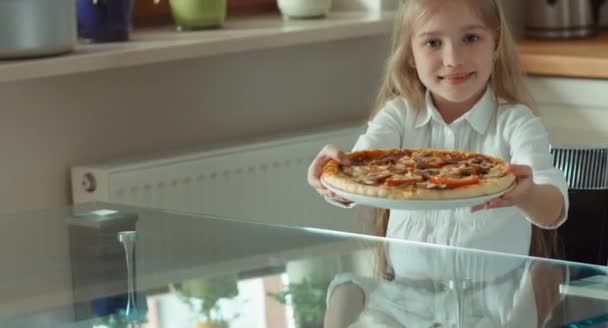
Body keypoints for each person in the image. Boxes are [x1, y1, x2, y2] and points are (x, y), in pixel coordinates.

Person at [306, 0, 569, 326]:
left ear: (496, 44)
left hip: (491, 305)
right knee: (344, 296)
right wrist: (330, 177)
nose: (453, 59)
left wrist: (527, 195)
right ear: (411, 56)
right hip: (402, 304)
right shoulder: (398, 117)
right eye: (433, 43)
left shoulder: (516, 123)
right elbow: (355, 175)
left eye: (471, 38)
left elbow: (553, 209)